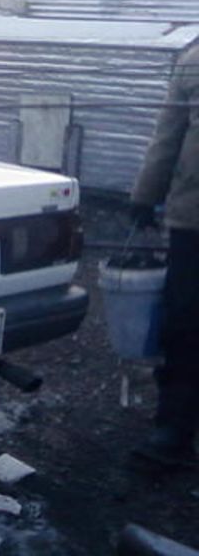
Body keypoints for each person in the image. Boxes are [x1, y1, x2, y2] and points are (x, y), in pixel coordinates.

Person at [130, 43, 199, 465]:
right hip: (194, 222)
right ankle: (173, 428)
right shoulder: (195, 59)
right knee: (185, 324)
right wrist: (145, 195)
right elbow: (168, 135)